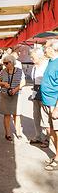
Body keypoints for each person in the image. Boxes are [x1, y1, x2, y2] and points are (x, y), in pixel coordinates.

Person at [0, 55, 26, 141]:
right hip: (5, 95)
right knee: (7, 114)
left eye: (6, 63)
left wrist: (16, 89)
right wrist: (4, 84)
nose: (5, 65)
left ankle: (18, 132)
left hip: (16, 95)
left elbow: (23, 82)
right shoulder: (3, 71)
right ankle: (8, 133)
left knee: (17, 115)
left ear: (12, 62)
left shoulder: (20, 71)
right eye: (4, 63)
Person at [41, 39, 58, 171]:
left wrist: (57, 108)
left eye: (45, 47)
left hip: (54, 103)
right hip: (47, 102)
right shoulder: (51, 62)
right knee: (51, 131)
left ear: (52, 49)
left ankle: (57, 159)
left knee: (56, 132)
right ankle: (56, 155)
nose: (44, 49)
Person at [29, 48, 49, 147]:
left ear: (39, 56)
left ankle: (46, 138)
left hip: (44, 91)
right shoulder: (34, 66)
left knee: (45, 116)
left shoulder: (46, 64)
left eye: (33, 57)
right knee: (36, 115)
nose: (31, 59)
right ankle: (38, 136)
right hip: (36, 91)